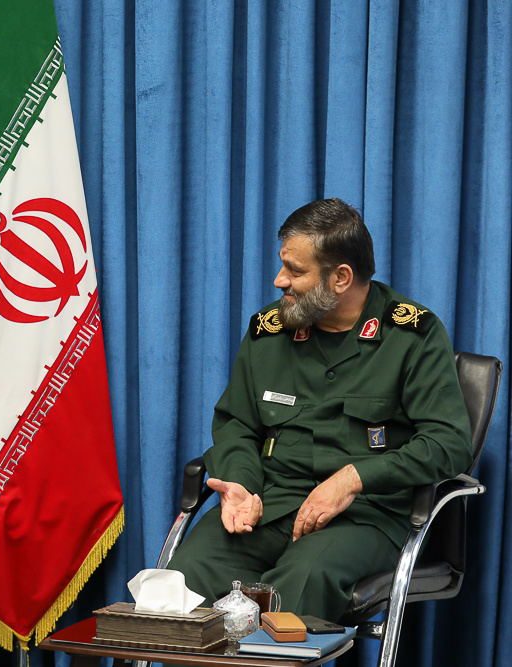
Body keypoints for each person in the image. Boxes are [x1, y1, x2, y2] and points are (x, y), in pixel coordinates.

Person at [167, 198, 472, 622]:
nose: (280, 280)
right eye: (283, 266)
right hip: (271, 504)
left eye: (295, 271)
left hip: (365, 516)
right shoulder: (268, 332)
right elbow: (238, 423)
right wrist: (242, 484)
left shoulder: (411, 336)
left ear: (341, 277)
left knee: (299, 584)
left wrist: (353, 478)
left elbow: (449, 443)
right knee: (184, 579)